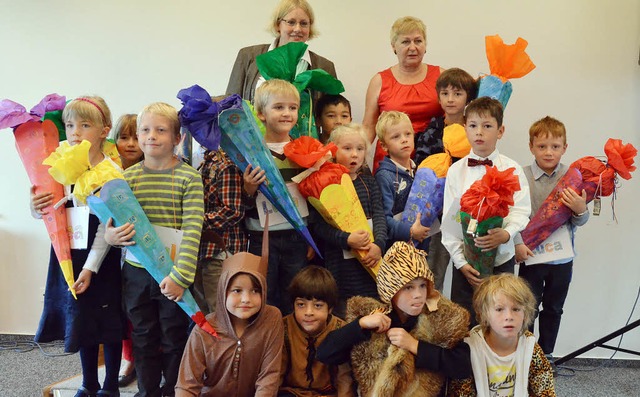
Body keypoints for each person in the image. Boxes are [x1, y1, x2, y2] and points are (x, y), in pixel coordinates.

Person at [105, 102, 204, 397]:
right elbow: (109, 223)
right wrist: (111, 236)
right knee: (143, 336)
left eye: (161, 130)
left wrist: (181, 276)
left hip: (173, 274)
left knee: (173, 337)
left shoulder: (189, 178)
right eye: (145, 130)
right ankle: (147, 391)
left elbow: (192, 231)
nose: (151, 136)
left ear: (177, 138)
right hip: (136, 273)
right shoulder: (126, 179)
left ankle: (174, 390)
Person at [31, 96, 124, 397]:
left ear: (103, 130)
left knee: (107, 322)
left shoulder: (109, 171)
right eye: (70, 125)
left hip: (101, 256)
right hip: (68, 253)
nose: (75, 132)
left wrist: (91, 267)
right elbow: (48, 210)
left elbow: (107, 228)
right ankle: (89, 383)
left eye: (85, 125)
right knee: (82, 318)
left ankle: (109, 386)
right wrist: (34, 206)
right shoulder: (61, 165)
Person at [316, 241, 471, 397]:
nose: (418, 294)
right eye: (408, 287)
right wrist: (360, 324)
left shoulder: (440, 320)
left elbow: (463, 366)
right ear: (390, 290)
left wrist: (415, 346)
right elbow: (325, 353)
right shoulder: (375, 318)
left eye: (422, 285)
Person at [442, 97, 531, 326]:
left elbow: (521, 210)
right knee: (463, 323)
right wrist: (461, 263)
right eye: (472, 126)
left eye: (487, 126)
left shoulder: (512, 168)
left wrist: (507, 233)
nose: (479, 132)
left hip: (502, 259)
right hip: (466, 264)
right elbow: (449, 223)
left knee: (502, 320)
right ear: (465, 129)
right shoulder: (456, 171)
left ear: (500, 131)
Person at [514, 116, 589, 364]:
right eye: (542, 146)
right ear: (531, 146)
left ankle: (546, 358)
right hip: (531, 256)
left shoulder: (572, 176)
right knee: (527, 310)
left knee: (554, 309)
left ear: (564, 148)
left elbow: (578, 221)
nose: (549, 152)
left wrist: (580, 209)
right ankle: (526, 359)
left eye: (555, 147)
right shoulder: (521, 176)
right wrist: (516, 244)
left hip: (562, 259)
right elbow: (512, 216)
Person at [175, 243, 284, 396]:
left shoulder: (271, 318)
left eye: (255, 291)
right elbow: (187, 385)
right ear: (222, 292)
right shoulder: (204, 328)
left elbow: (269, 377)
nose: (246, 299)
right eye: (237, 290)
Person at [242, 79, 311, 314]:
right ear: (261, 113)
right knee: (265, 294)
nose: (287, 113)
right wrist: (249, 189)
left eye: (292, 107)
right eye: (279, 107)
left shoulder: (305, 150)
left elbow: (313, 198)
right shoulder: (251, 153)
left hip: (297, 236)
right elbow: (245, 203)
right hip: (263, 237)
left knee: (295, 293)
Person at [311, 123, 386, 317]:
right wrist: (346, 239)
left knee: (373, 309)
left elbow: (379, 216)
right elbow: (319, 226)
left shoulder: (369, 182)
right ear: (333, 151)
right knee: (344, 312)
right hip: (340, 266)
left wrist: (378, 244)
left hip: (371, 262)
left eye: (360, 149)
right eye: (347, 148)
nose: (355, 154)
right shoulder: (325, 184)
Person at [414, 67, 477, 292]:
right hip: (437, 216)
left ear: (468, 97)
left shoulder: (475, 131)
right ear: (438, 97)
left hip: (468, 214)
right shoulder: (432, 130)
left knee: (468, 276)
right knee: (433, 275)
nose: (451, 99)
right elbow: (422, 172)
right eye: (445, 93)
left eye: (457, 93)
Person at [447, 274, 556, 396]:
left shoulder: (531, 348)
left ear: (525, 314)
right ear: (484, 314)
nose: (508, 317)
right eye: (499, 309)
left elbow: (546, 391)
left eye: (516, 309)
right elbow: (460, 392)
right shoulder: (468, 348)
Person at [362, 16, 444, 171]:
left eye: (418, 41)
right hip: (390, 165)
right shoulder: (379, 81)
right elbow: (368, 127)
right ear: (394, 46)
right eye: (406, 42)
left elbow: (458, 116)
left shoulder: (442, 76)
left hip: (434, 160)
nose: (412, 47)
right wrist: (356, 157)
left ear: (425, 45)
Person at [226, 0, 336, 104]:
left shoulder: (325, 67)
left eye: (303, 23)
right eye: (291, 22)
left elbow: (333, 112)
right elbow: (229, 105)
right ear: (278, 25)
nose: (297, 29)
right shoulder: (248, 56)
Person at [279, 265, 354, 397]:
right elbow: (276, 374)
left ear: (330, 308)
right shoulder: (283, 327)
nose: (308, 313)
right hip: (291, 392)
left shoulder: (340, 329)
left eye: (318, 306)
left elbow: (344, 379)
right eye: (301, 305)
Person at [192, 146, 248, 315]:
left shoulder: (225, 164)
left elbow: (233, 210)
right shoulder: (204, 162)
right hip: (202, 251)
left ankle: (226, 342)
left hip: (221, 252)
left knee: (220, 312)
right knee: (204, 312)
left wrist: (194, 221)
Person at [112, 113, 145, 388]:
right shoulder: (108, 172)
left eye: (137, 137)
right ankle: (128, 358)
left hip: (144, 251)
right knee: (122, 308)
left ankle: (147, 358)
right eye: (124, 137)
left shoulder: (156, 170)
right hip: (114, 249)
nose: (132, 144)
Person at [374, 111, 430, 252]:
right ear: (384, 145)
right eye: (396, 137)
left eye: (408, 134)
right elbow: (383, 219)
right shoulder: (384, 177)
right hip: (397, 251)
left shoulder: (421, 171)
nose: (404, 140)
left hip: (422, 244)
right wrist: (410, 231)